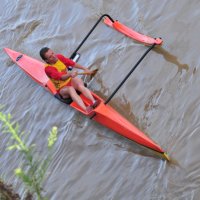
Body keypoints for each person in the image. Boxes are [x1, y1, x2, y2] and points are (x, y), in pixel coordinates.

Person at [39, 47, 98, 113]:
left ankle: (94, 101)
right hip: (62, 89)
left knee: (78, 81)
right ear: (47, 60)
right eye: (50, 57)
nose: (54, 56)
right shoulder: (48, 69)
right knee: (70, 89)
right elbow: (61, 77)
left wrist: (85, 69)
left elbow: (72, 63)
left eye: (53, 53)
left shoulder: (59, 57)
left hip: (70, 81)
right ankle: (86, 109)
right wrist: (70, 74)